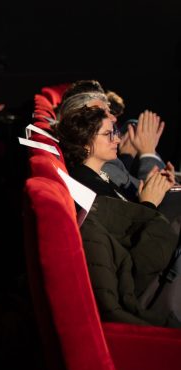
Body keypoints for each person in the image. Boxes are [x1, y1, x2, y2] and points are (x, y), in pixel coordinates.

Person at [55, 105, 181, 327]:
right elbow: (131, 250)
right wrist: (149, 202)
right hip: (149, 279)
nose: (117, 139)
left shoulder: (100, 176)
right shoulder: (86, 186)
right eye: (108, 134)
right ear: (85, 144)